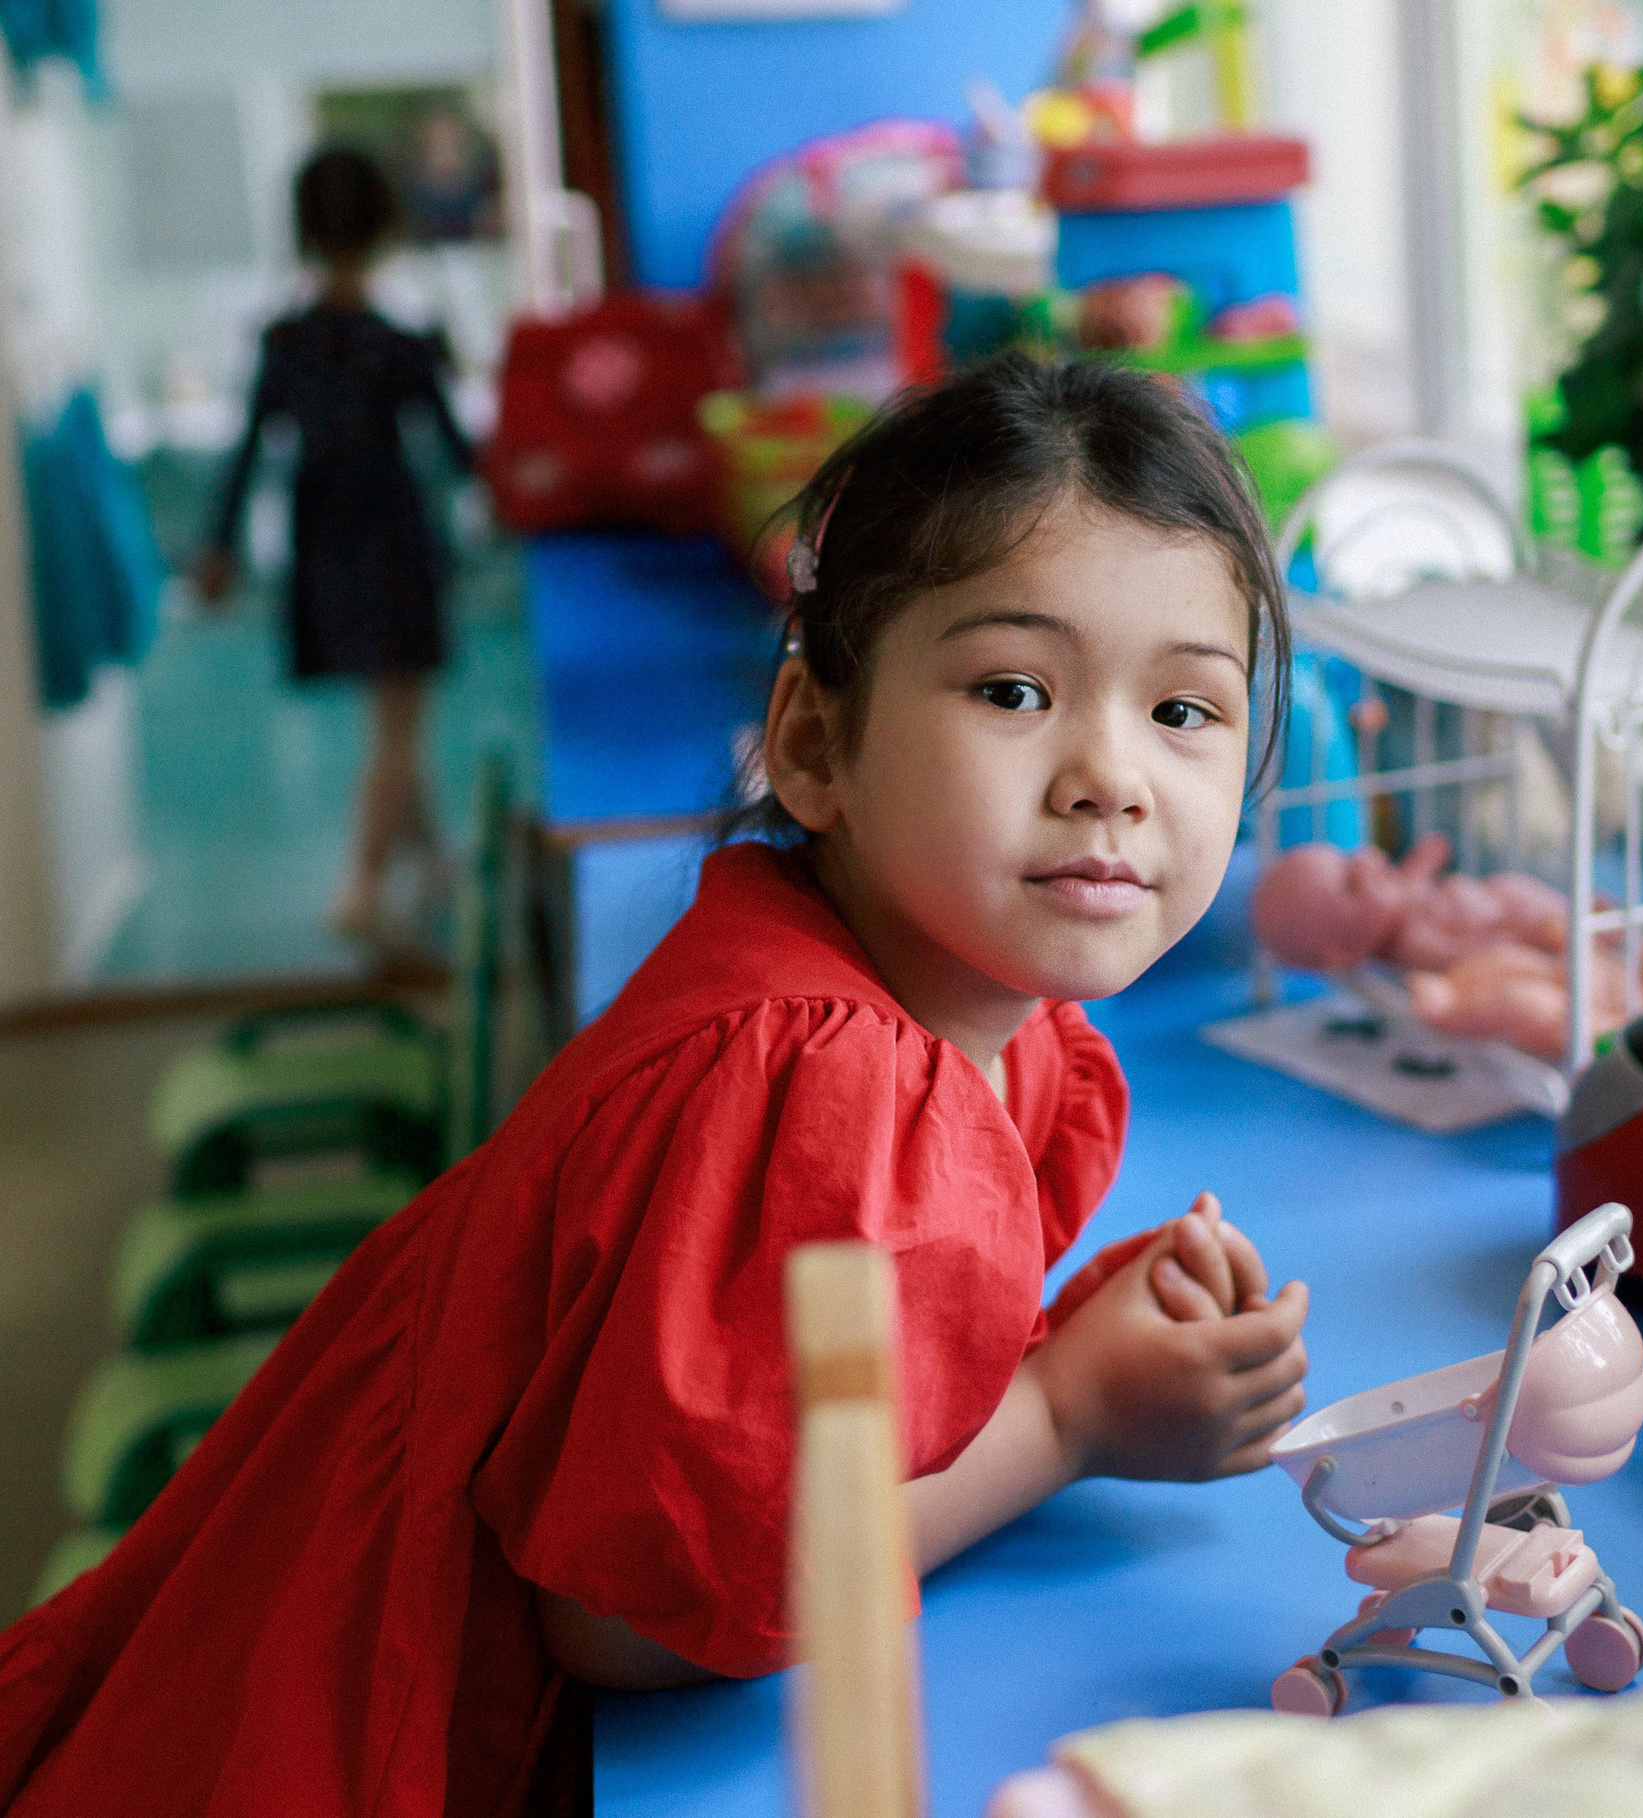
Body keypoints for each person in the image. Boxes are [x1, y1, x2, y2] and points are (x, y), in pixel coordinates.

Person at [0, 354, 1309, 1814]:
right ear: (814, 741)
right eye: (1015, 688)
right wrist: (1067, 1411)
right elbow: (631, 1618)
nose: (1111, 776)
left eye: (1185, 711)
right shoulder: (826, 1079)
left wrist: (1064, 1344)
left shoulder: (936, 1006)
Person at [194, 145, 476, 948]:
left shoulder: (285, 342)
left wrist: (219, 548)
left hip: (323, 543)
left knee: (389, 721)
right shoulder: (403, 342)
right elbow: (457, 458)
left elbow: (249, 448)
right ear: (389, 227)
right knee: (398, 727)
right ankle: (360, 886)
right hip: (392, 537)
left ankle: (436, 861)